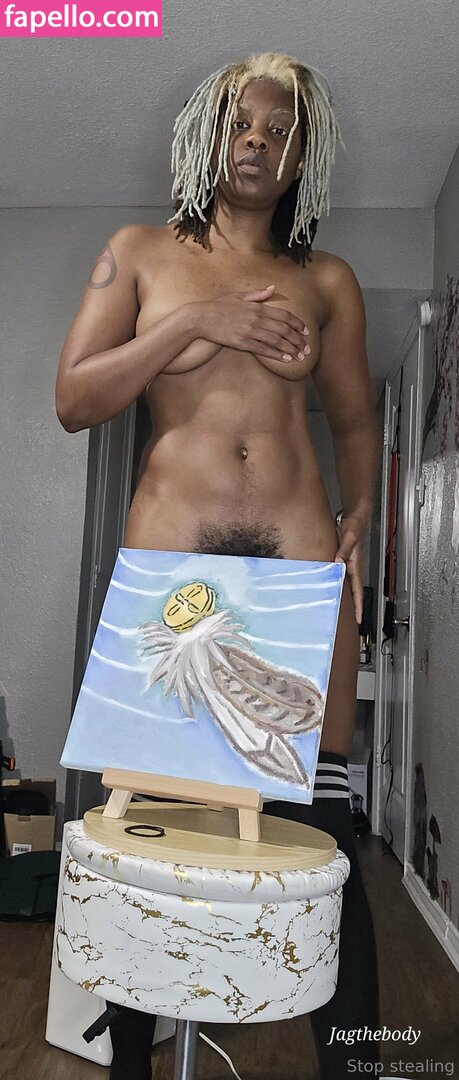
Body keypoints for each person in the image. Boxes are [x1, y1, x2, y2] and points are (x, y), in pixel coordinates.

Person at [56, 51, 381, 1080]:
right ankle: (132, 1062)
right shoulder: (140, 254)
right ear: (210, 136)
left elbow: (353, 422)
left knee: (319, 826)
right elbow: (75, 399)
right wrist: (199, 321)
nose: (258, 140)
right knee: (155, 825)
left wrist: (361, 522)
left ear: (300, 158)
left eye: (281, 131)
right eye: (243, 122)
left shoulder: (326, 281)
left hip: (293, 572)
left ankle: (356, 1064)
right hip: (175, 578)